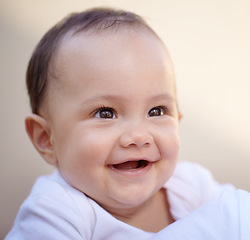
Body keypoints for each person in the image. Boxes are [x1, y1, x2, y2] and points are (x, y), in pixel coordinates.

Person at [5, 7, 238, 239]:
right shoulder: (55, 212)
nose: (138, 136)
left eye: (157, 111)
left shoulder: (192, 186)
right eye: (105, 113)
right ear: (47, 139)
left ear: (177, 120)